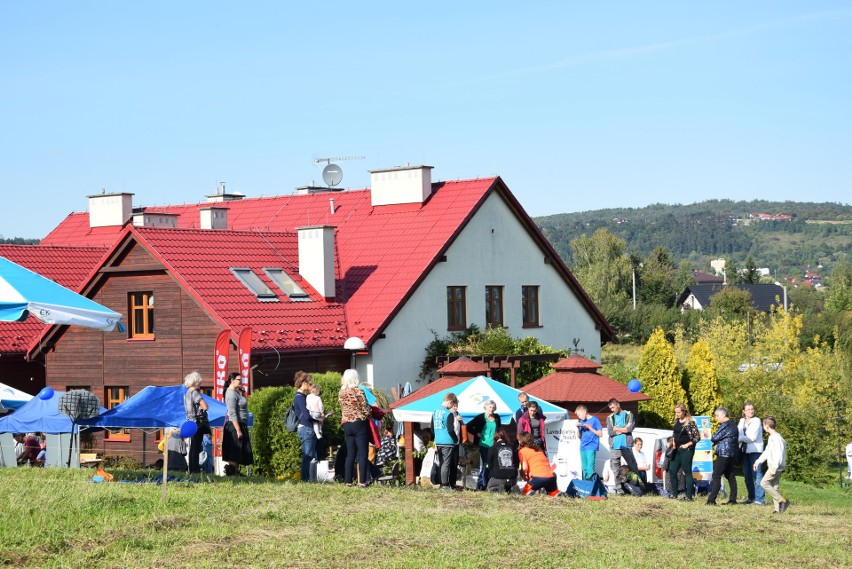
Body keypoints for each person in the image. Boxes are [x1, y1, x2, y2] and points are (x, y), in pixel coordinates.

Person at [338, 369, 372, 487]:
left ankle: (348, 481)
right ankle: (362, 481)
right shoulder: (358, 391)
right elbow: (365, 408)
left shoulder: (341, 392)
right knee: (362, 453)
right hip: (359, 423)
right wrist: (370, 413)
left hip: (347, 423)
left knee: (350, 454)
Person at [755, 416, 789, 513]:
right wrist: (758, 461)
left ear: (767, 426)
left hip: (775, 466)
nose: (763, 427)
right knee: (774, 487)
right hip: (775, 466)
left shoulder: (776, 438)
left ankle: (783, 501)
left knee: (763, 483)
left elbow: (778, 453)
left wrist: (774, 467)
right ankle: (778, 509)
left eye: (763, 425)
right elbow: (767, 452)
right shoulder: (772, 437)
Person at [222, 372, 253, 476]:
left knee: (239, 450)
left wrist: (242, 394)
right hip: (235, 425)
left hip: (241, 424)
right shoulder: (230, 393)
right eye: (239, 380)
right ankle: (231, 472)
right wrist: (238, 430)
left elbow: (241, 405)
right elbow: (232, 413)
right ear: (232, 380)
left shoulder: (236, 392)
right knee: (234, 450)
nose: (241, 382)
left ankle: (235, 472)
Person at [706, 407, 738, 506]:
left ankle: (711, 500)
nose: (716, 418)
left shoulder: (726, 425)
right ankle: (732, 499)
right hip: (731, 453)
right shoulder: (733, 424)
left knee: (716, 475)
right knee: (730, 476)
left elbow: (714, 437)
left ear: (724, 415)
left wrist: (717, 440)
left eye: (717, 416)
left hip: (724, 453)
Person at [467, 400, 501, 490]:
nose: (491, 409)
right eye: (490, 407)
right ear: (485, 407)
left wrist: (499, 438)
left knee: (492, 464)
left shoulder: (497, 417)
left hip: (494, 444)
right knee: (486, 463)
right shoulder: (480, 417)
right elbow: (468, 427)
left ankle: (486, 483)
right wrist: (476, 433)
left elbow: (499, 430)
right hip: (483, 444)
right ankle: (481, 483)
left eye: (493, 407)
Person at [668, 402, 700, 501]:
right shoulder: (677, 420)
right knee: (672, 470)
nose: (677, 414)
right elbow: (675, 433)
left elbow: (697, 437)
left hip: (686, 450)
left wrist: (687, 445)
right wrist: (673, 442)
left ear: (684, 412)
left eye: (678, 412)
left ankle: (689, 496)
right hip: (676, 449)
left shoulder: (690, 422)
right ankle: (674, 493)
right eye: (675, 412)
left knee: (687, 472)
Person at [607, 398, 639, 492]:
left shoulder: (629, 415)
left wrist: (618, 429)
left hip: (626, 445)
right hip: (614, 446)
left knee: (632, 466)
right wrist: (623, 429)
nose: (612, 410)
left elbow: (629, 429)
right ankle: (619, 489)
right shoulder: (610, 417)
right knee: (615, 468)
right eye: (610, 408)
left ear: (618, 405)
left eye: (613, 407)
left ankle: (635, 487)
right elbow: (611, 432)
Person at [738, 401, 766, 505]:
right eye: (748, 409)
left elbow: (751, 437)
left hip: (755, 451)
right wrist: (739, 439)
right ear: (743, 411)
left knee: (757, 475)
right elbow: (739, 433)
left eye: (752, 409)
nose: (751, 411)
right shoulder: (741, 421)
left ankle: (759, 500)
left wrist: (737, 439)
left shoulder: (757, 421)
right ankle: (751, 498)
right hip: (744, 451)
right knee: (747, 475)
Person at [182, 371, 209, 474]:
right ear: (196, 381)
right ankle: (195, 470)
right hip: (198, 422)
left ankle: (191, 469)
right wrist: (203, 407)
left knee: (192, 447)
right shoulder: (195, 393)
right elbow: (205, 406)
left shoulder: (187, 393)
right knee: (197, 447)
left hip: (190, 422)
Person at [293, 371, 318, 482]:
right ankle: (306, 479)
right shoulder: (300, 397)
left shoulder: (301, 396)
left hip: (304, 428)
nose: (310, 385)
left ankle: (308, 479)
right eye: (309, 382)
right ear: (303, 383)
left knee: (309, 454)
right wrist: (317, 420)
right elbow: (306, 415)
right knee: (308, 455)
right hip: (306, 428)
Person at [432, 392, 459, 490]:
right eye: (453, 404)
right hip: (447, 441)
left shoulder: (435, 412)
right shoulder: (448, 413)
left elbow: (432, 429)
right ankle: (445, 485)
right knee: (446, 464)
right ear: (450, 401)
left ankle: (441, 484)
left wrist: (436, 438)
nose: (452, 406)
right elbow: (450, 429)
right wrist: (455, 439)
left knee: (441, 463)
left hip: (438, 441)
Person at [517, 432, 558, 496]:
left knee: (525, 493)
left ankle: (529, 492)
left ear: (521, 441)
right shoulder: (539, 449)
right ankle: (555, 494)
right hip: (551, 476)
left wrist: (524, 475)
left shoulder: (522, 451)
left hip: (537, 477)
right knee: (553, 494)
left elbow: (524, 467)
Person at [486, 427, 518, 493]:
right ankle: (510, 488)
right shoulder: (512, 448)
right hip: (512, 478)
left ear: (495, 437)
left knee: (490, 488)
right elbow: (516, 463)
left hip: (497, 477)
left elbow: (490, 466)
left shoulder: (492, 448)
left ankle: (498, 488)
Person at [576, 405, 602, 480]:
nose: (579, 417)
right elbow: (579, 436)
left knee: (590, 468)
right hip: (583, 447)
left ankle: (592, 486)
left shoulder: (595, 420)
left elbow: (600, 434)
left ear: (584, 411)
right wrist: (578, 428)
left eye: (579, 414)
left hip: (591, 446)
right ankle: (586, 487)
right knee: (584, 468)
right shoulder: (581, 421)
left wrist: (589, 428)